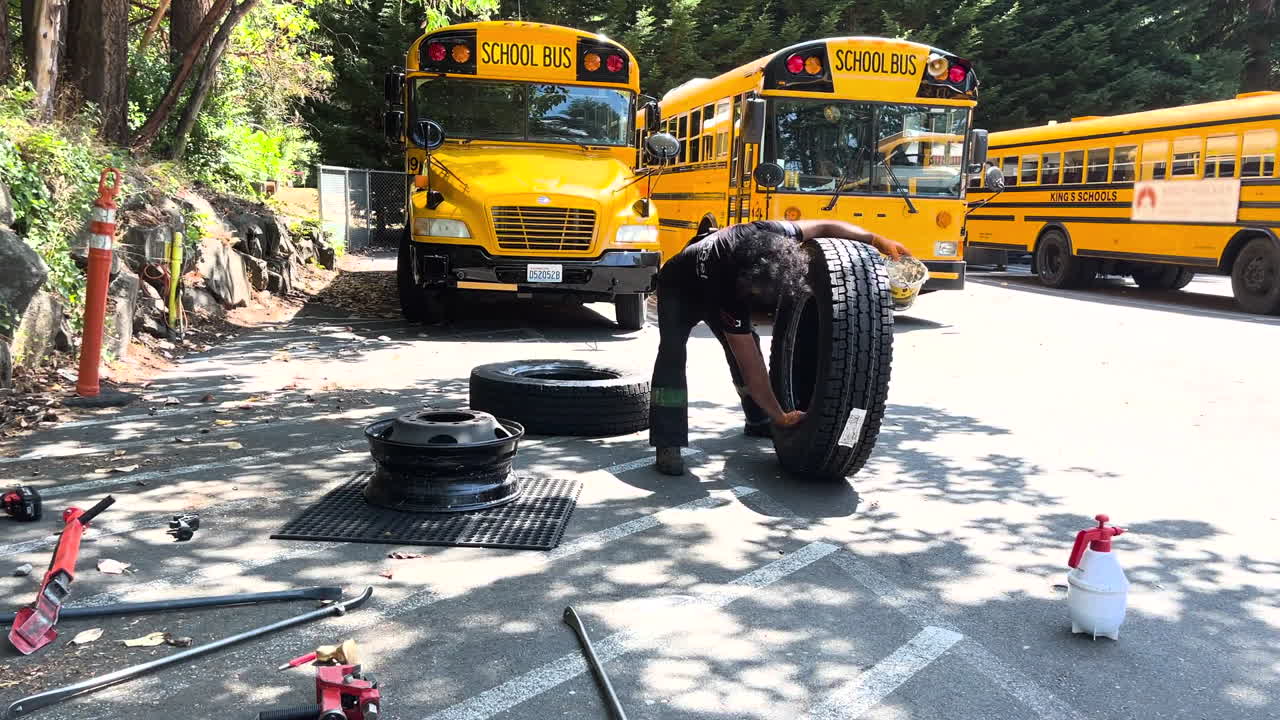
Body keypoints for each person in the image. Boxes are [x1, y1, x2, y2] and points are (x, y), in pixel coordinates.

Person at [650, 219, 911, 475]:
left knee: (746, 341)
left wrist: (876, 239)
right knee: (673, 355)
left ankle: (757, 419)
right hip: (679, 288)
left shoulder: (774, 232)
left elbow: (826, 226)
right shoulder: (729, 286)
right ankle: (667, 442)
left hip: (719, 275)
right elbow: (750, 365)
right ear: (746, 284)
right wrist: (779, 414)